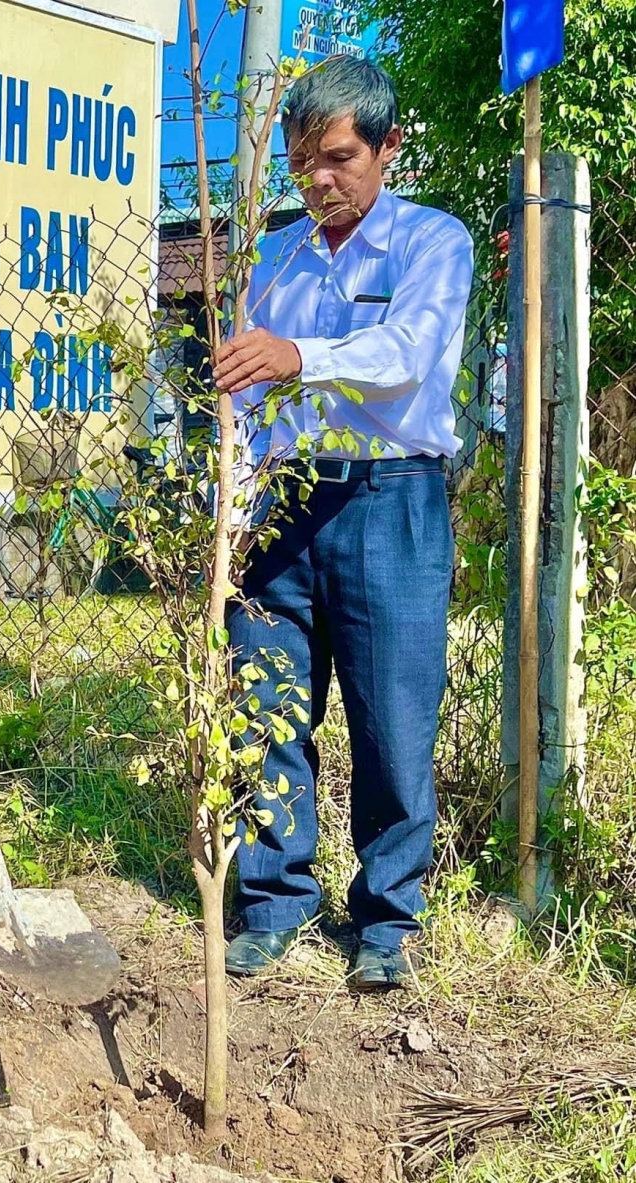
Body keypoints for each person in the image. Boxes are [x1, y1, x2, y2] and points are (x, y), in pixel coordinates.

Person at [213, 57, 473, 989]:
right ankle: (273, 900)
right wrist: (232, 516)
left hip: (389, 496)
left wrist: (297, 354)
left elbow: (406, 357)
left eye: (338, 157)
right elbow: (243, 394)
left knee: (393, 718)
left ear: (387, 147)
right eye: (300, 161)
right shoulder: (275, 255)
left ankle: (386, 922)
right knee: (268, 704)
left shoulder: (433, 243)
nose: (318, 180)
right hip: (282, 503)